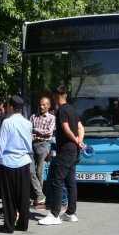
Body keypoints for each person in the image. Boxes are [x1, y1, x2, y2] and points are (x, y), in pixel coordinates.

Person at [39, 85, 84, 225]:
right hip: (74, 151)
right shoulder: (73, 110)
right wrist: (79, 141)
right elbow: (81, 127)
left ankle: (55, 214)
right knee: (71, 182)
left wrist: (75, 140)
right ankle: (71, 213)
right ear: (66, 95)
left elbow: (65, 128)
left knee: (57, 181)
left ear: (56, 96)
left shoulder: (61, 110)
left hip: (65, 151)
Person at [0, 95, 33, 233]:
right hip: (23, 160)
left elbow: (1, 143)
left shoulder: (7, 123)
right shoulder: (28, 123)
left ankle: (9, 225)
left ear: (10, 107)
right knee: (23, 195)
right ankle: (23, 224)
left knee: (8, 195)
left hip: (8, 161)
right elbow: (29, 144)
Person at [29, 96, 54, 208]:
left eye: (44, 104)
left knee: (39, 172)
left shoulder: (51, 118)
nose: (41, 106)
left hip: (43, 145)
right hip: (32, 145)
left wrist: (35, 131)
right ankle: (39, 195)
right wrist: (35, 133)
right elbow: (28, 129)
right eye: (40, 104)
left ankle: (38, 199)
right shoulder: (33, 116)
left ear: (48, 106)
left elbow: (49, 133)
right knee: (30, 171)